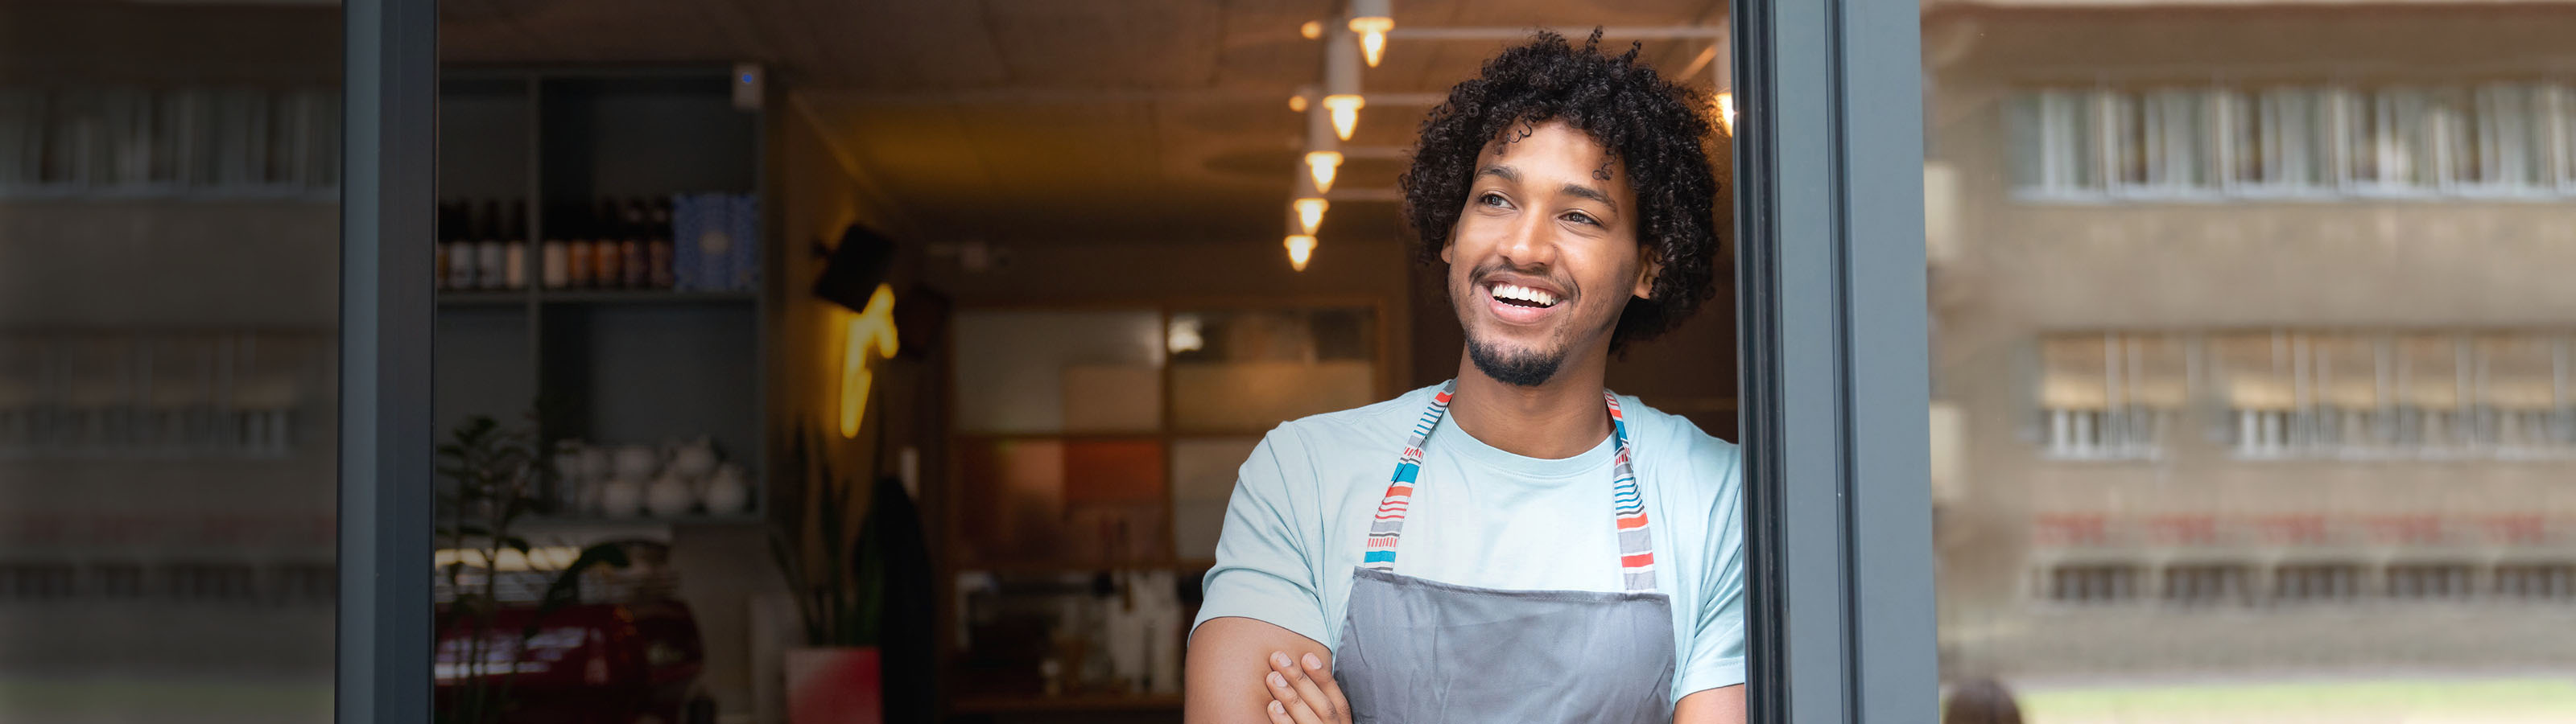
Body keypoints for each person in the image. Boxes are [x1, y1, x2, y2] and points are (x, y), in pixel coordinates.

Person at [1183, 30, 1743, 724]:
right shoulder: (1304, 476)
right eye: (1496, 200)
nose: (1523, 246)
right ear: (1452, 230)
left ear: (1649, 267)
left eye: (1579, 216)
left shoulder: (1718, 501)